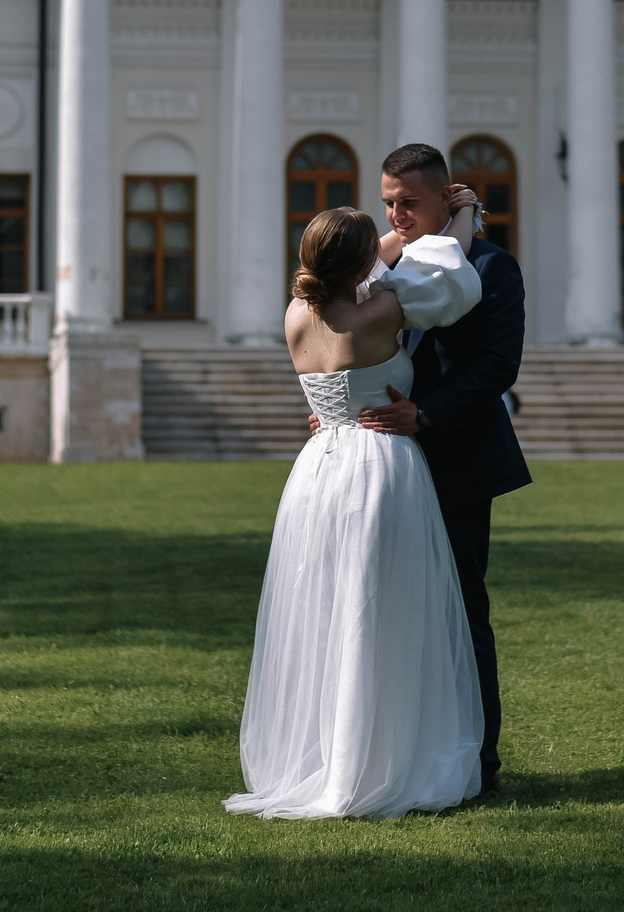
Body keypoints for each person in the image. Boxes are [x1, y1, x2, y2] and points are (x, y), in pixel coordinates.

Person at [225, 190, 487, 819]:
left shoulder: (295, 314)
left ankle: (325, 754)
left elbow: (369, 265)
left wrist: (377, 245)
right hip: (379, 464)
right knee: (383, 609)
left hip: (317, 471)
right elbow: (450, 277)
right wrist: (463, 218)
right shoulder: (383, 312)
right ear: (361, 264)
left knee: (323, 610)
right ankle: (377, 758)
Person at [357, 142, 529, 798]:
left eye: (410, 201)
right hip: (380, 461)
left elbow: (496, 367)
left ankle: (479, 764)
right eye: (389, 201)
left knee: (462, 610)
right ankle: (411, 755)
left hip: (455, 456)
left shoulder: (492, 265)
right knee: (393, 613)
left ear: (445, 196)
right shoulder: (380, 263)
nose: (398, 213)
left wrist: (426, 415)